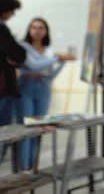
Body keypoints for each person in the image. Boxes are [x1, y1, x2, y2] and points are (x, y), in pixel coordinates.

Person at [18, 17, 75, 170]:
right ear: (29, 30)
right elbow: (34, 66)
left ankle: (33, 167)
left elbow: (50, 75)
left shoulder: (48, 50)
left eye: (41, 28)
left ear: (46, 31)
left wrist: (62, 63)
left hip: (44, 89)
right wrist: (57, 58)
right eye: (34, 27)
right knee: (27, 129)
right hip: (26, 88)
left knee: (39, 129)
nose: (37, 31)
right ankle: (24, 169)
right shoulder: (23, 47)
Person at [0, 0, 27, 163]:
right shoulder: (1, 30)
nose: (13, 14)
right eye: (11, 10)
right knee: (4, 132)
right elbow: (17, 54)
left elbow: (17, 54)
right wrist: (11, 58)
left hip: (5, 89)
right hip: (3, 89)